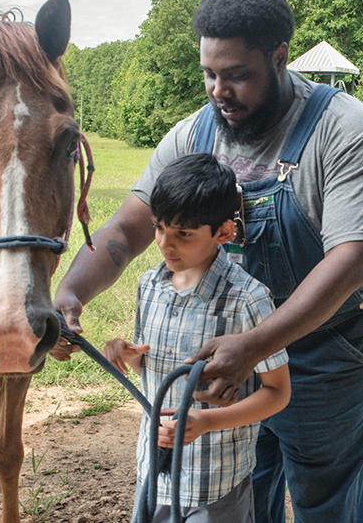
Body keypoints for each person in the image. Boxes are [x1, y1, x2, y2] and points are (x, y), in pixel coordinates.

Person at [53, 0, 363, 523]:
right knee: (246, 490)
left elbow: (353, 260)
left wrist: (257, 346)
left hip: (326, 348)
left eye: (236, 75)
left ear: (279, 57)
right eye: (209, 74)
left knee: (326, 496)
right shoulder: (193, 136)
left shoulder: (346, 132)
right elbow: (126, 230)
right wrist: (69, 294)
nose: (218, 90)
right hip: (230, 352)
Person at [102, 153, 290, 523]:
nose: (165, 244)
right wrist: (130, 354)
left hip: (214, 482)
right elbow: (151, 363)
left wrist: (206, 423)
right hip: (154, 471)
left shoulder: (247, 299)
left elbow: (277, 393)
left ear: (223, 232)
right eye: (159, 228)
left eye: (183, 234)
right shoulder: (149, 286)